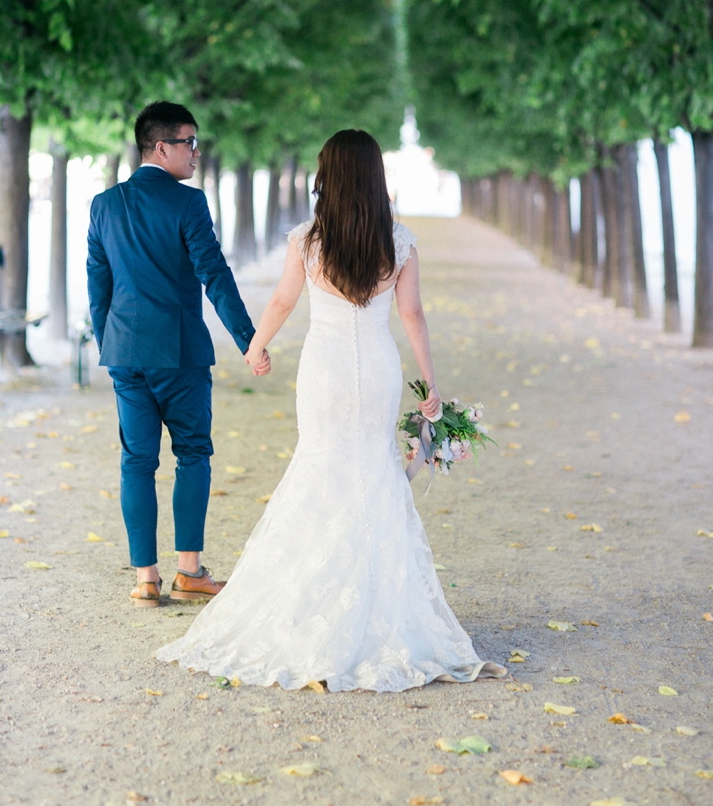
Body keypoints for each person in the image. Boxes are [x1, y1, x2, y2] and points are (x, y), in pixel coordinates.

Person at [157, 129, 505, 690]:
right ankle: (379, 609)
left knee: (320, 468)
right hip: (379, 370)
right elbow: (412, 315)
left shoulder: (308, 240)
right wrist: (430, 384)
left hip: (325, 371)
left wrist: (256, 346)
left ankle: (311, 603)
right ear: (374, 177)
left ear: (329, 176)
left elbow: (282, 301)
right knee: (375, 472)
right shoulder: (399, 242)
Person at [86, 101, 270, 608]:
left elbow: (97, 287)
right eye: (189, 142)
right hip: (181, 353)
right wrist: (249, 340)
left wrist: (111, 344)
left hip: (125, 355)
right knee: (193, 455)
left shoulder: (104, 205)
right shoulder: (189, 204)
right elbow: (215, 275)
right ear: (161, 147)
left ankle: (146, 579)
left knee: (136, 462)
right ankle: (189, 572)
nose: (196, 152)